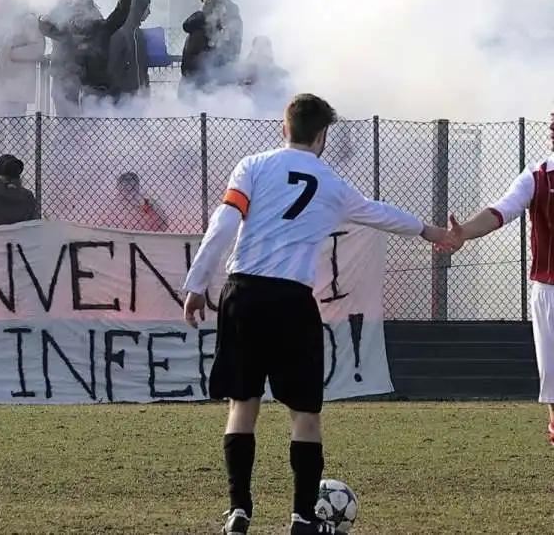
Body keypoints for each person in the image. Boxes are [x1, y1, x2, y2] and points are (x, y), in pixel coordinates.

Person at [181, 93, 457, 535]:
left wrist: (197, 283)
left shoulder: (251, 166)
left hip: (244, 294)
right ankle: (303, 518)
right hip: (293, 301)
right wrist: (433, 232)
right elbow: (380, 214)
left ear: (283, 126)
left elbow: (224, 224)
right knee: (305, 413)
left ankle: (238, 512)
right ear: (323, 134)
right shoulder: (333, 185)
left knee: (242, 405)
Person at [441, 110, 554, 446]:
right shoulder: (536, 177)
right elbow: (501, 211)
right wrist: (464, 233)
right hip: (549, 292)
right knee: (553, 384)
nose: (550, 125)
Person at [108, 0, 152, 102]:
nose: (149, 12)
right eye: (147, 9)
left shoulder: (138, 33)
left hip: (138, 93)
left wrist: (145, 86)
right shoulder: (120, 32)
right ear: (139, 10)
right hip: (123, 95)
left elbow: (142, 64)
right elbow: (113, 65)